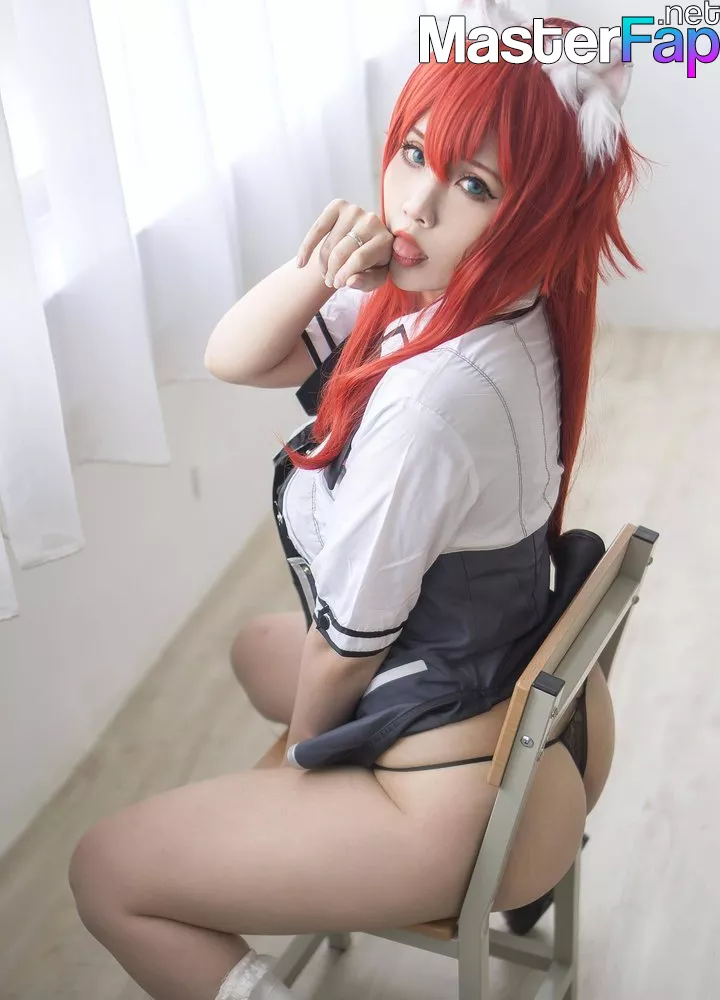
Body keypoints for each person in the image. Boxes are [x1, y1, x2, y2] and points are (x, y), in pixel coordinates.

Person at [68, 6, 645, 998]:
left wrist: (302, 773)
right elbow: (234, 356)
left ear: (535, 213)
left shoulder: (434, 401)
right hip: (513, 718)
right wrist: (320, 266)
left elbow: (345, 651)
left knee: (105, 872)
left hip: (450, 800)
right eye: (415, 152)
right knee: (253, 647)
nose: (416, 204)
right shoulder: (487, 302)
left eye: (473, 185)